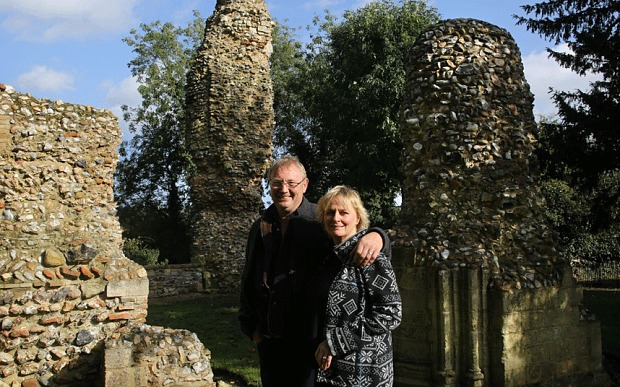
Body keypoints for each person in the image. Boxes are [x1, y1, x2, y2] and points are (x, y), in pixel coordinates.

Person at [239, 155, 390, 387]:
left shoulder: (320, 222)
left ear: (305, 185)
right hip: (270, 343)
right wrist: (250, 326)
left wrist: (379, 235)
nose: (284, 189)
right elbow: (249, 275)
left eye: (291, 183)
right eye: (277, 183)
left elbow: (354, 239)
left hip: (308, 344)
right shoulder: (260, 225)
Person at [312, 185, 402, 387]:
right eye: (330, 212)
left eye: (344, 212)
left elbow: (390, 314)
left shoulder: (370, 257)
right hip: (334, 372)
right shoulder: (331, 257)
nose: (336, 218)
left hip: (365, 373)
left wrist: (334, 342)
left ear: (357, 218)